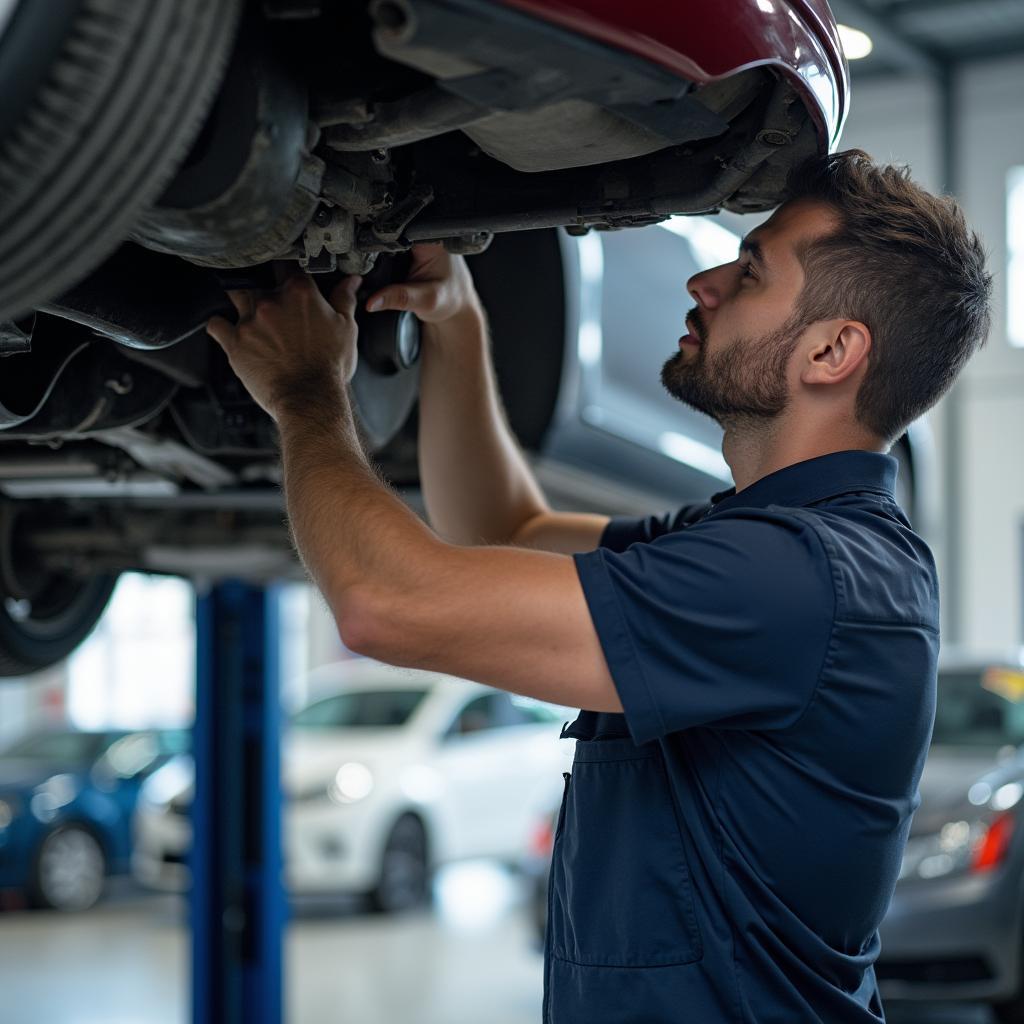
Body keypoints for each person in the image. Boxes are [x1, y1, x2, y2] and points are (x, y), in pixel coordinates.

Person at [206, 149, 991, 1023]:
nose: (705, 280)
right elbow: (510, 533)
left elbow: (382, 602)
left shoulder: (797, 581)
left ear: (832, 351)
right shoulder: (767, 548)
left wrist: (307, 392)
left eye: (750, 272)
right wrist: (457, 320)